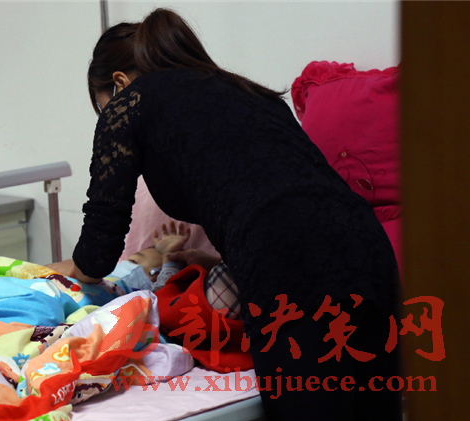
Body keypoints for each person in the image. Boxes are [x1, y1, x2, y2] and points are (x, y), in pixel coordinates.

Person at [54, 8, 402, 420]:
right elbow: (282, 193)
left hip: (290, 266)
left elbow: (100, 242)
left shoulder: (130, 103)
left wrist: (61, 271)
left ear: (119, 83)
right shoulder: (244, 91)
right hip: (370, 252)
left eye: (102, 106)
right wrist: (220, 259)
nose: (107, 114)